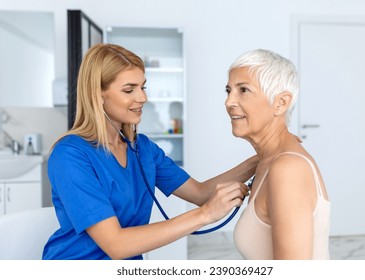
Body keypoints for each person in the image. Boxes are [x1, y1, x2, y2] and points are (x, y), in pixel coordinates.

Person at [43, 43, 258, 260]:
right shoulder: (69, 155)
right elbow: (116, 245)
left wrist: (260, 158)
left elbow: (200, 193)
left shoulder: (143, 149)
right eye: (129, 90)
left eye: (142, 87)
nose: (142, 98)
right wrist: (205, 215)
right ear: (98, 95)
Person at [226, 49, 330, 259]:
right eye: (228, 91)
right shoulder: (271, 161)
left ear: (281, 103)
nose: (229, 102)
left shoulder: (288, 169)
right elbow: (200, 193)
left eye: (243, 90)